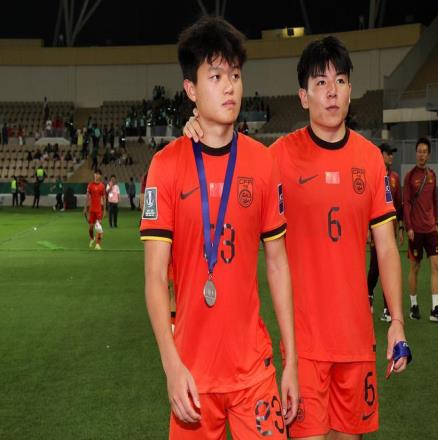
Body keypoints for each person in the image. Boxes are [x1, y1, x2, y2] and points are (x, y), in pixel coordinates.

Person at [184, 35, 410, 440]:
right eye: (320, 83)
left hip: (357, 341)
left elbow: (387, 246)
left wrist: (396, 321)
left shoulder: (370, 160)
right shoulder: (277, 158)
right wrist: (199, 124)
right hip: (304, 346)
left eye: (340, 81)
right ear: (303, 96)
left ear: (351, 90)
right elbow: (230, 161)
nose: (332, 92)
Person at [140, 16, 298, 439]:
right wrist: (171, 366)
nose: (229, 87)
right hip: (192, 377)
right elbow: (154, 277)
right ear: (191, 89)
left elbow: (278, 264)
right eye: (215, 76)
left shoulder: (262, 162)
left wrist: (292, 361)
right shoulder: (165, 166)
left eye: (235, 75)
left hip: (255, 372)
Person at [403, 138, 438, 323]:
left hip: (430, 229)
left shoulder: (432, 175)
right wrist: (408, 227)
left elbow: (434, 201)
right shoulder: (410, 176)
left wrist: (436, 223)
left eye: (424, 151)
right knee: (415, 267)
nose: (421, 155)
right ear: (416, 154)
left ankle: (435, 308)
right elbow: (406, 204)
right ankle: (414, 306)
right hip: (416, 231)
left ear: (428, 155)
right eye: (419, 151)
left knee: (436, 264)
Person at [367, 143, 404, 322]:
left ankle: (388, 309)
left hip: (391, 231)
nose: (391, 156)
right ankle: (368, 294)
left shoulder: (395, 177)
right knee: (376, 268)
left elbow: (399, 205)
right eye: (388, 153)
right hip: (376, 231)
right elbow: (366, 204)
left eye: (392, 154)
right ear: (380, 154)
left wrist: (401, 228)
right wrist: (368, 231)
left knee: (388, 267)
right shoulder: (371, 175)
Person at [85, 169, 106, 250]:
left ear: (100, 176)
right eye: (95, 174)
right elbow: (87, 197)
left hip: (99, 210)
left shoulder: (102, 186)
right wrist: (85, 208)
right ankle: (92, 238)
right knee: (90, 228)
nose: (96, 175)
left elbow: (104, 198)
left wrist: (105, 210)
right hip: (91, 210)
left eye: (98, 174)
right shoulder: (90, 185)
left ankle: (97, 244)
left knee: (98, 227)